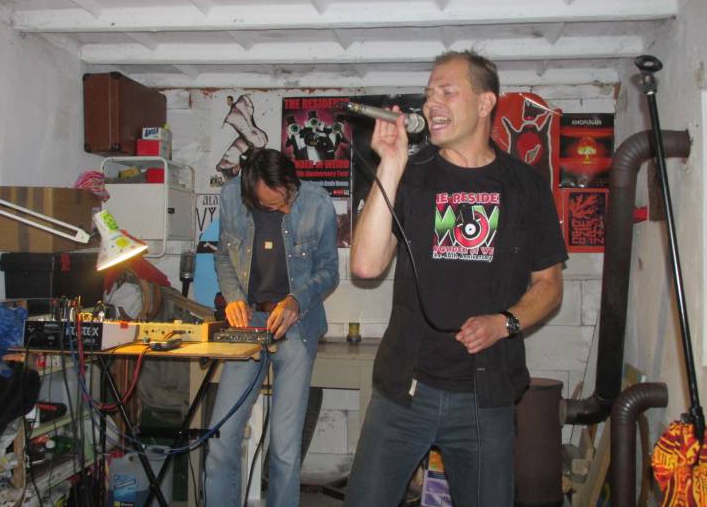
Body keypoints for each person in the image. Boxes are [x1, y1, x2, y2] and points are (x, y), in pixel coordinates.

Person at [345, 51, 568, 507]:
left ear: (485, 103)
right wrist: (391, 164)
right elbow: (365, 266)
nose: (432, 104)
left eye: (448, 92)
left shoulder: (525, 185)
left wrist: (504, 323)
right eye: (429, 94)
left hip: (485, 398)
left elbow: (550, 284)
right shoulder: (411, 175)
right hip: (405, 391)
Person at [205, 148, 339, 506]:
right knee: (221, 437)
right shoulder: (231, 197)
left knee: (284, 446)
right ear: (250, 196)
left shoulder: (317, 203)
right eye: (275, 205)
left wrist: (296, 300)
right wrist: (233, 297)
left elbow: (329, 271)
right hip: (248, 321)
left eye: (288, 196)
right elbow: (223, 256)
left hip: (296, 325)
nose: (287, 208)